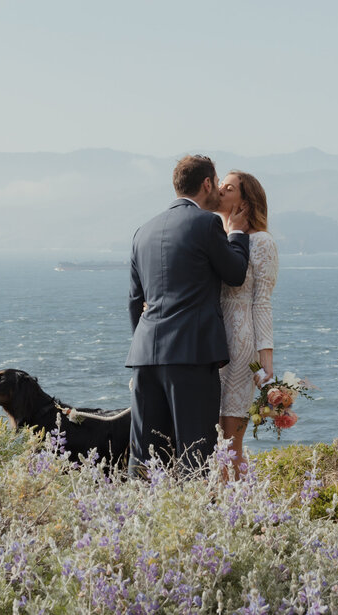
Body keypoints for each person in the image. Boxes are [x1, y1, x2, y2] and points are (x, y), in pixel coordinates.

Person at [126, 155, 250, 474]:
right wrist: (236, 233)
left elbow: (134, 301)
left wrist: (146, 346)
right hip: (191, 355)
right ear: (207, 183)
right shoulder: (207, 223)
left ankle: (142, 519)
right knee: (195, 453)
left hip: (144, 356)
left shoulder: (142, 231)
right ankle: (195, 522)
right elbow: (235, 273)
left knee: (146, 456)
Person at [215, 170, 278, 478]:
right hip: (212, 343)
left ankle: (239, 509)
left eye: (229, 188)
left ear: (246, 201)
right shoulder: (215, 237)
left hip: (242, 348)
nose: (220, 191)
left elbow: (262, 301)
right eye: (219, 186)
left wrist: (266, 362)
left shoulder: (262, 242)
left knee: (230, 438)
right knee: (214, 439)